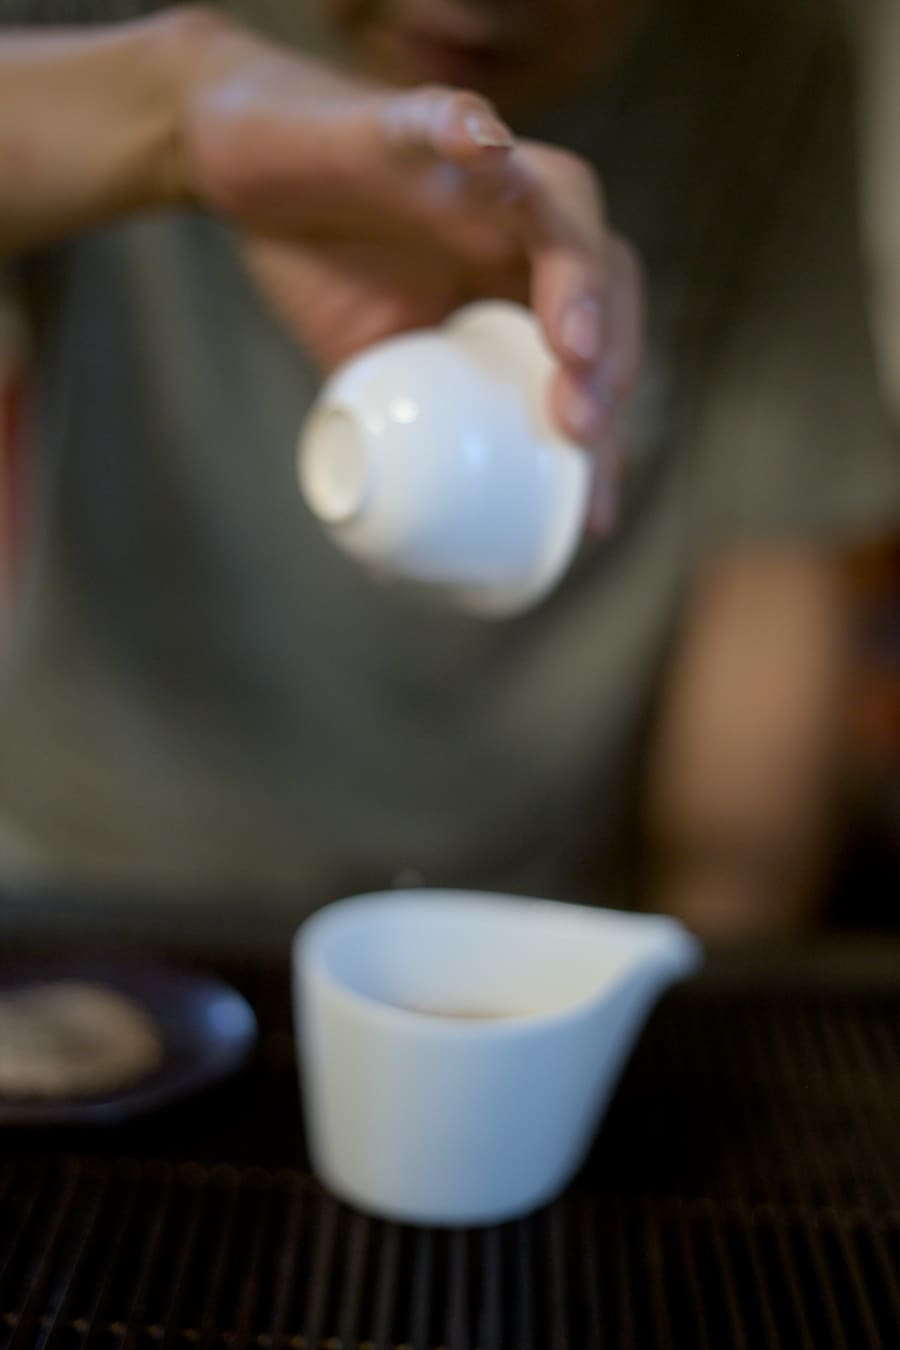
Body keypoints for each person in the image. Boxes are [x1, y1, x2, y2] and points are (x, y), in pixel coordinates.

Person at [0, 0, 897, 940]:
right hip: (92, 892)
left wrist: (690, 964)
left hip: (526, 924)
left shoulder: (766, 59)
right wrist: (174, 113)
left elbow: (767, 617)